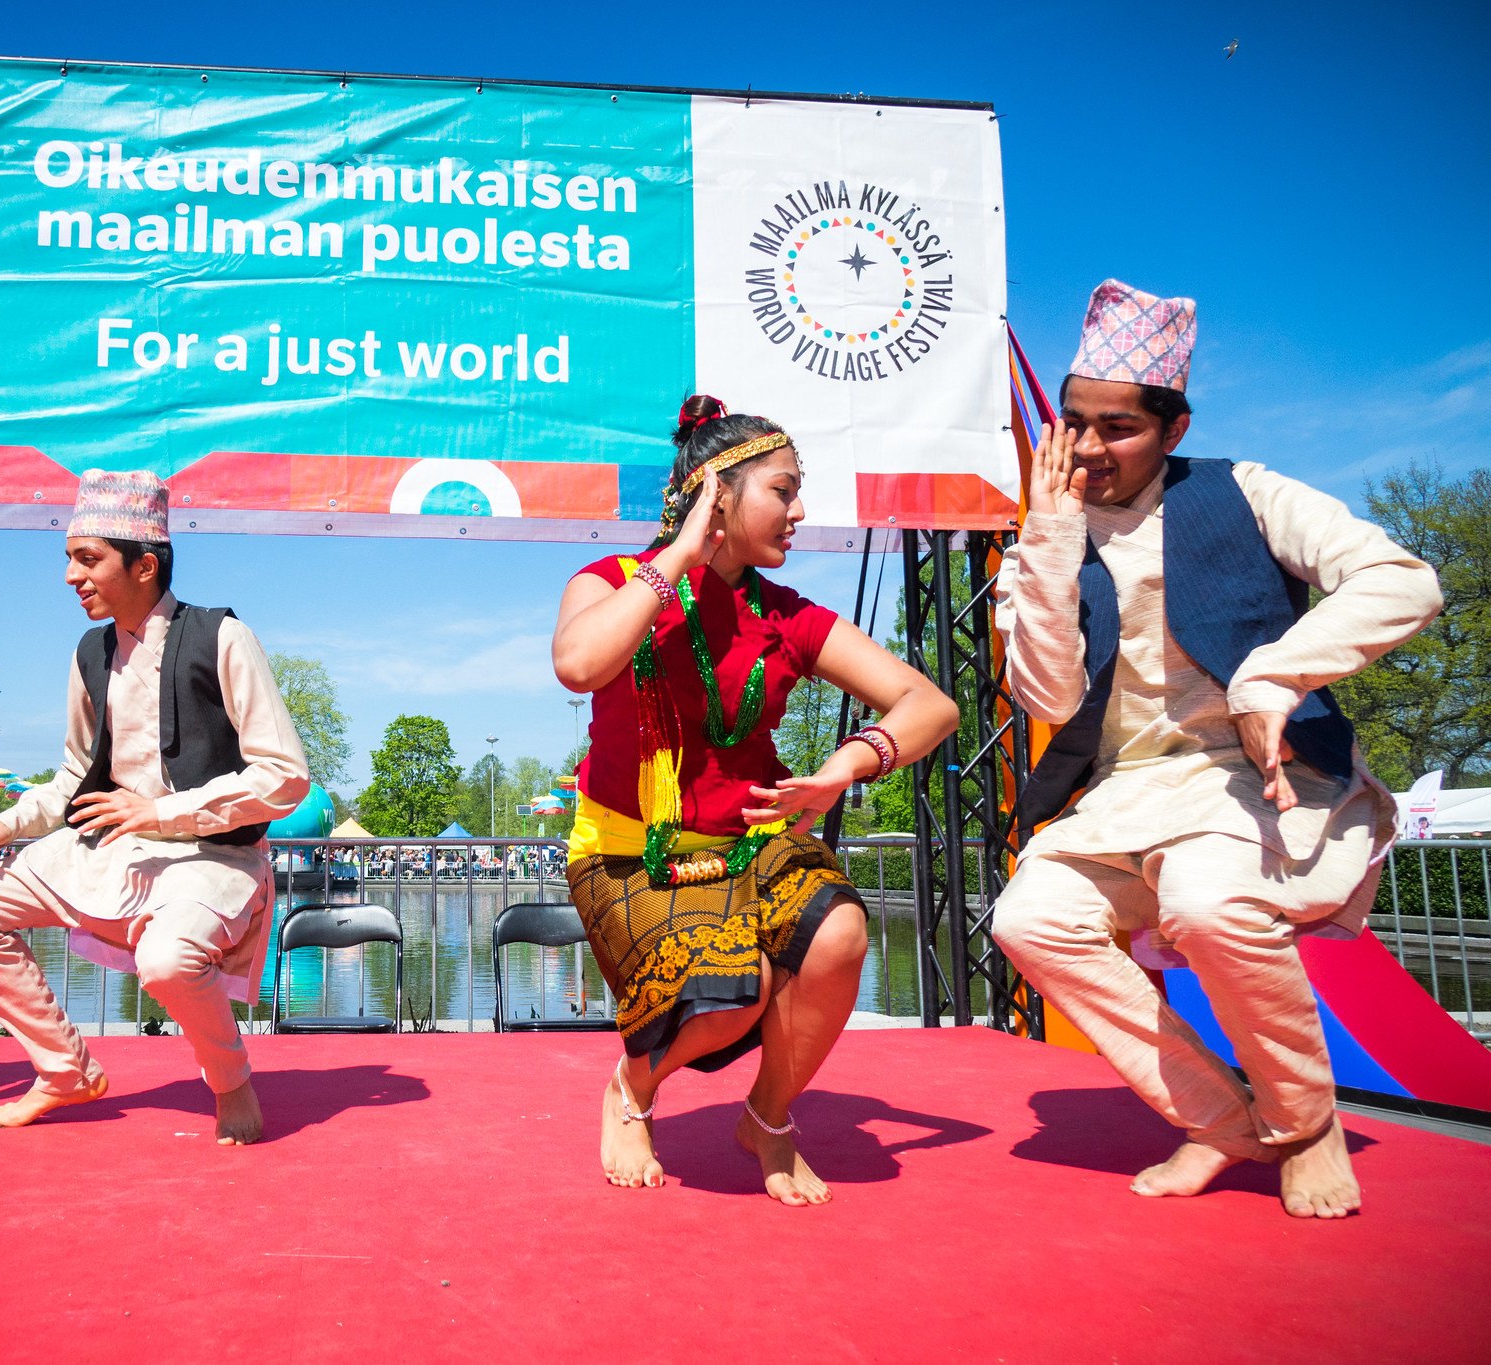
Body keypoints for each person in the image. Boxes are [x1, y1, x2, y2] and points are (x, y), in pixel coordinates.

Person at [991, 280, 1444, 1218]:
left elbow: (1404, 583)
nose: (1085, 448)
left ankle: (1307, 1123)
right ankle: (1220, 1120)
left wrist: (1276, 674)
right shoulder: (1046, 533)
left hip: (1258, 778)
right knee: (1029, 922)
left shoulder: (1244, 491)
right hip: (1128, 792)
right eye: (1074, 422)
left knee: (1206, 901)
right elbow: (1045, 695)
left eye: (1116, 427)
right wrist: (1047, 542)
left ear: (1173, 425)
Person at [552, 395, 959, 1205]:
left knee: (839, 930)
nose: (800, 510)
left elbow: (931, 705)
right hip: (635, 851)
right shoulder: (610, 583)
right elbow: (578, 662)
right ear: (718, 495)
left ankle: (767, 1117)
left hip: (751, 841)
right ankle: (632, 1091)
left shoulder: (786, 615)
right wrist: (674, 557)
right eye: (784, 488)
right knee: (732, 995)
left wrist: (847, 764)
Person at [0, 470, 308, 1142]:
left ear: (145, 563)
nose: (70, 574)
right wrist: (2, 824)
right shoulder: (90, 652)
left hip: (211, 856)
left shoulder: (221, 637)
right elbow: (75, 774)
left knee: (166, 962)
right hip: (107, 850)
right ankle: (64, 1070)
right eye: (69, 557)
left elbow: (284, 775)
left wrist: (162, 813)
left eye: (88, 557)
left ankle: (231, 1079)